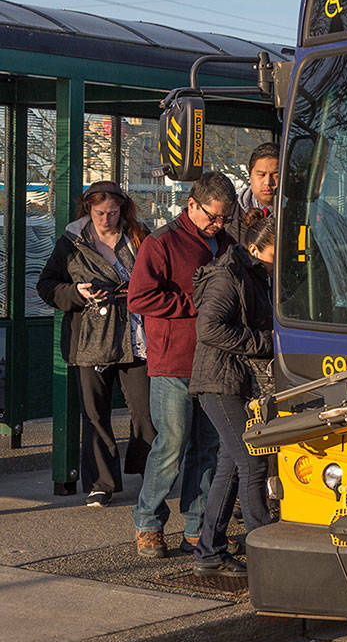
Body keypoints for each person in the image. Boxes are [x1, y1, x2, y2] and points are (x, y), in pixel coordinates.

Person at [128, 172, 236, 558]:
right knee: (171, 444)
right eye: (213, 216)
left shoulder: (225, 243)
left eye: (225, 217)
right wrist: (194, 306)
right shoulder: (161, 242)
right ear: (191, 205)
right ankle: (148, 522)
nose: (219, 224)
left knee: (206, 448)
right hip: (173, 362)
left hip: (213, 362)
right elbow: (139, 298)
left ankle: (197, 526)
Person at [37, 181, 153, 506]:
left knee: (145, 412)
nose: (106, 219)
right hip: (90, 336)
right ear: (88, 209)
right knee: (95, 415)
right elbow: (46, 284)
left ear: (123, 209)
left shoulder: (138, 235)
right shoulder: (72, 241)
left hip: (135, 335)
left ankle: (148, 473)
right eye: (100, 212)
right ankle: (102, 483)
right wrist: (76, 293)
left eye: (113, 212)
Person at [189, 213, 276, 578]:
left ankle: (209, 551)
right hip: (219, 382)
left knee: (231, 465)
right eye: (275, 255)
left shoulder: (251, 273)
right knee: (252, 461)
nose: (278, 264)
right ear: (255, 248)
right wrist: (264, 344)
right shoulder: (228, 276)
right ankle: (264, 549)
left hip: (232, 382)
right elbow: (208, 328)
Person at [234, 142, 279, 248]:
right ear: (250, 176)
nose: (268, 182)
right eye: (261, 175)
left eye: (276, 175)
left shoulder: (302, 214)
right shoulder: (230, 213)